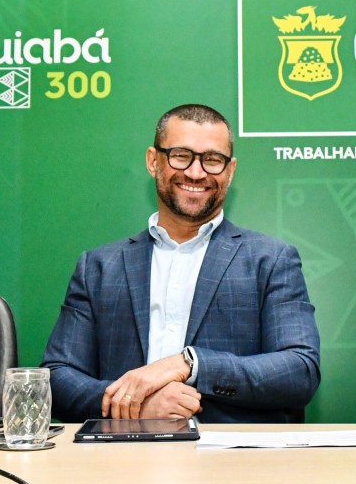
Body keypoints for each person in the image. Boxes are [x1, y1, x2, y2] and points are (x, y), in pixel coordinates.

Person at [42, 104, 321, 423]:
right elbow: (57, 377)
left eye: (212, 160)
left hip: (230, 450)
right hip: (123, 448)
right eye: (180, 155)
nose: (196, 173)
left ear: (230, 171)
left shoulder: (271, 260)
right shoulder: (99, 267)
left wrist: (190, 364)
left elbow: (300, 370)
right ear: (153, 161)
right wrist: (135, 408)